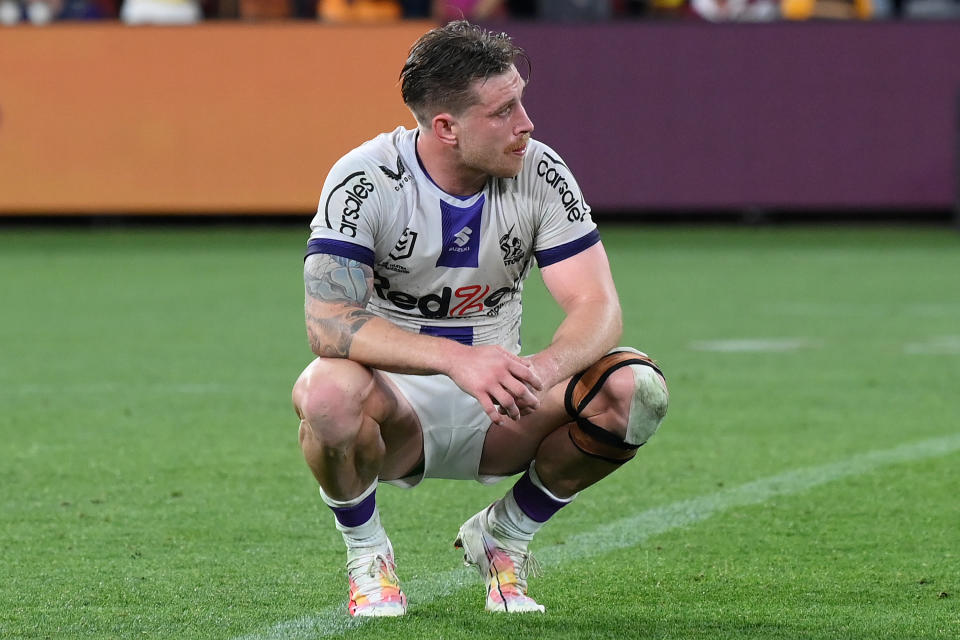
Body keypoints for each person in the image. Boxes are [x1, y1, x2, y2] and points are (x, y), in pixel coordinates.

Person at [292, 20, 669, 617]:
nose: (527, 123)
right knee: (323, 393)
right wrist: (455, 359)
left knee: (634, 390)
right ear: (447, 127)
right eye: (504, 110)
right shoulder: (364, 179)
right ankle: (368, 556)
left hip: (503, 405)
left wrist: (541, 372)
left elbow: (597, 307)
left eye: (522, 100)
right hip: (395, 406)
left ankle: (505, 535)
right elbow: (329, 323)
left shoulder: (541, 171)